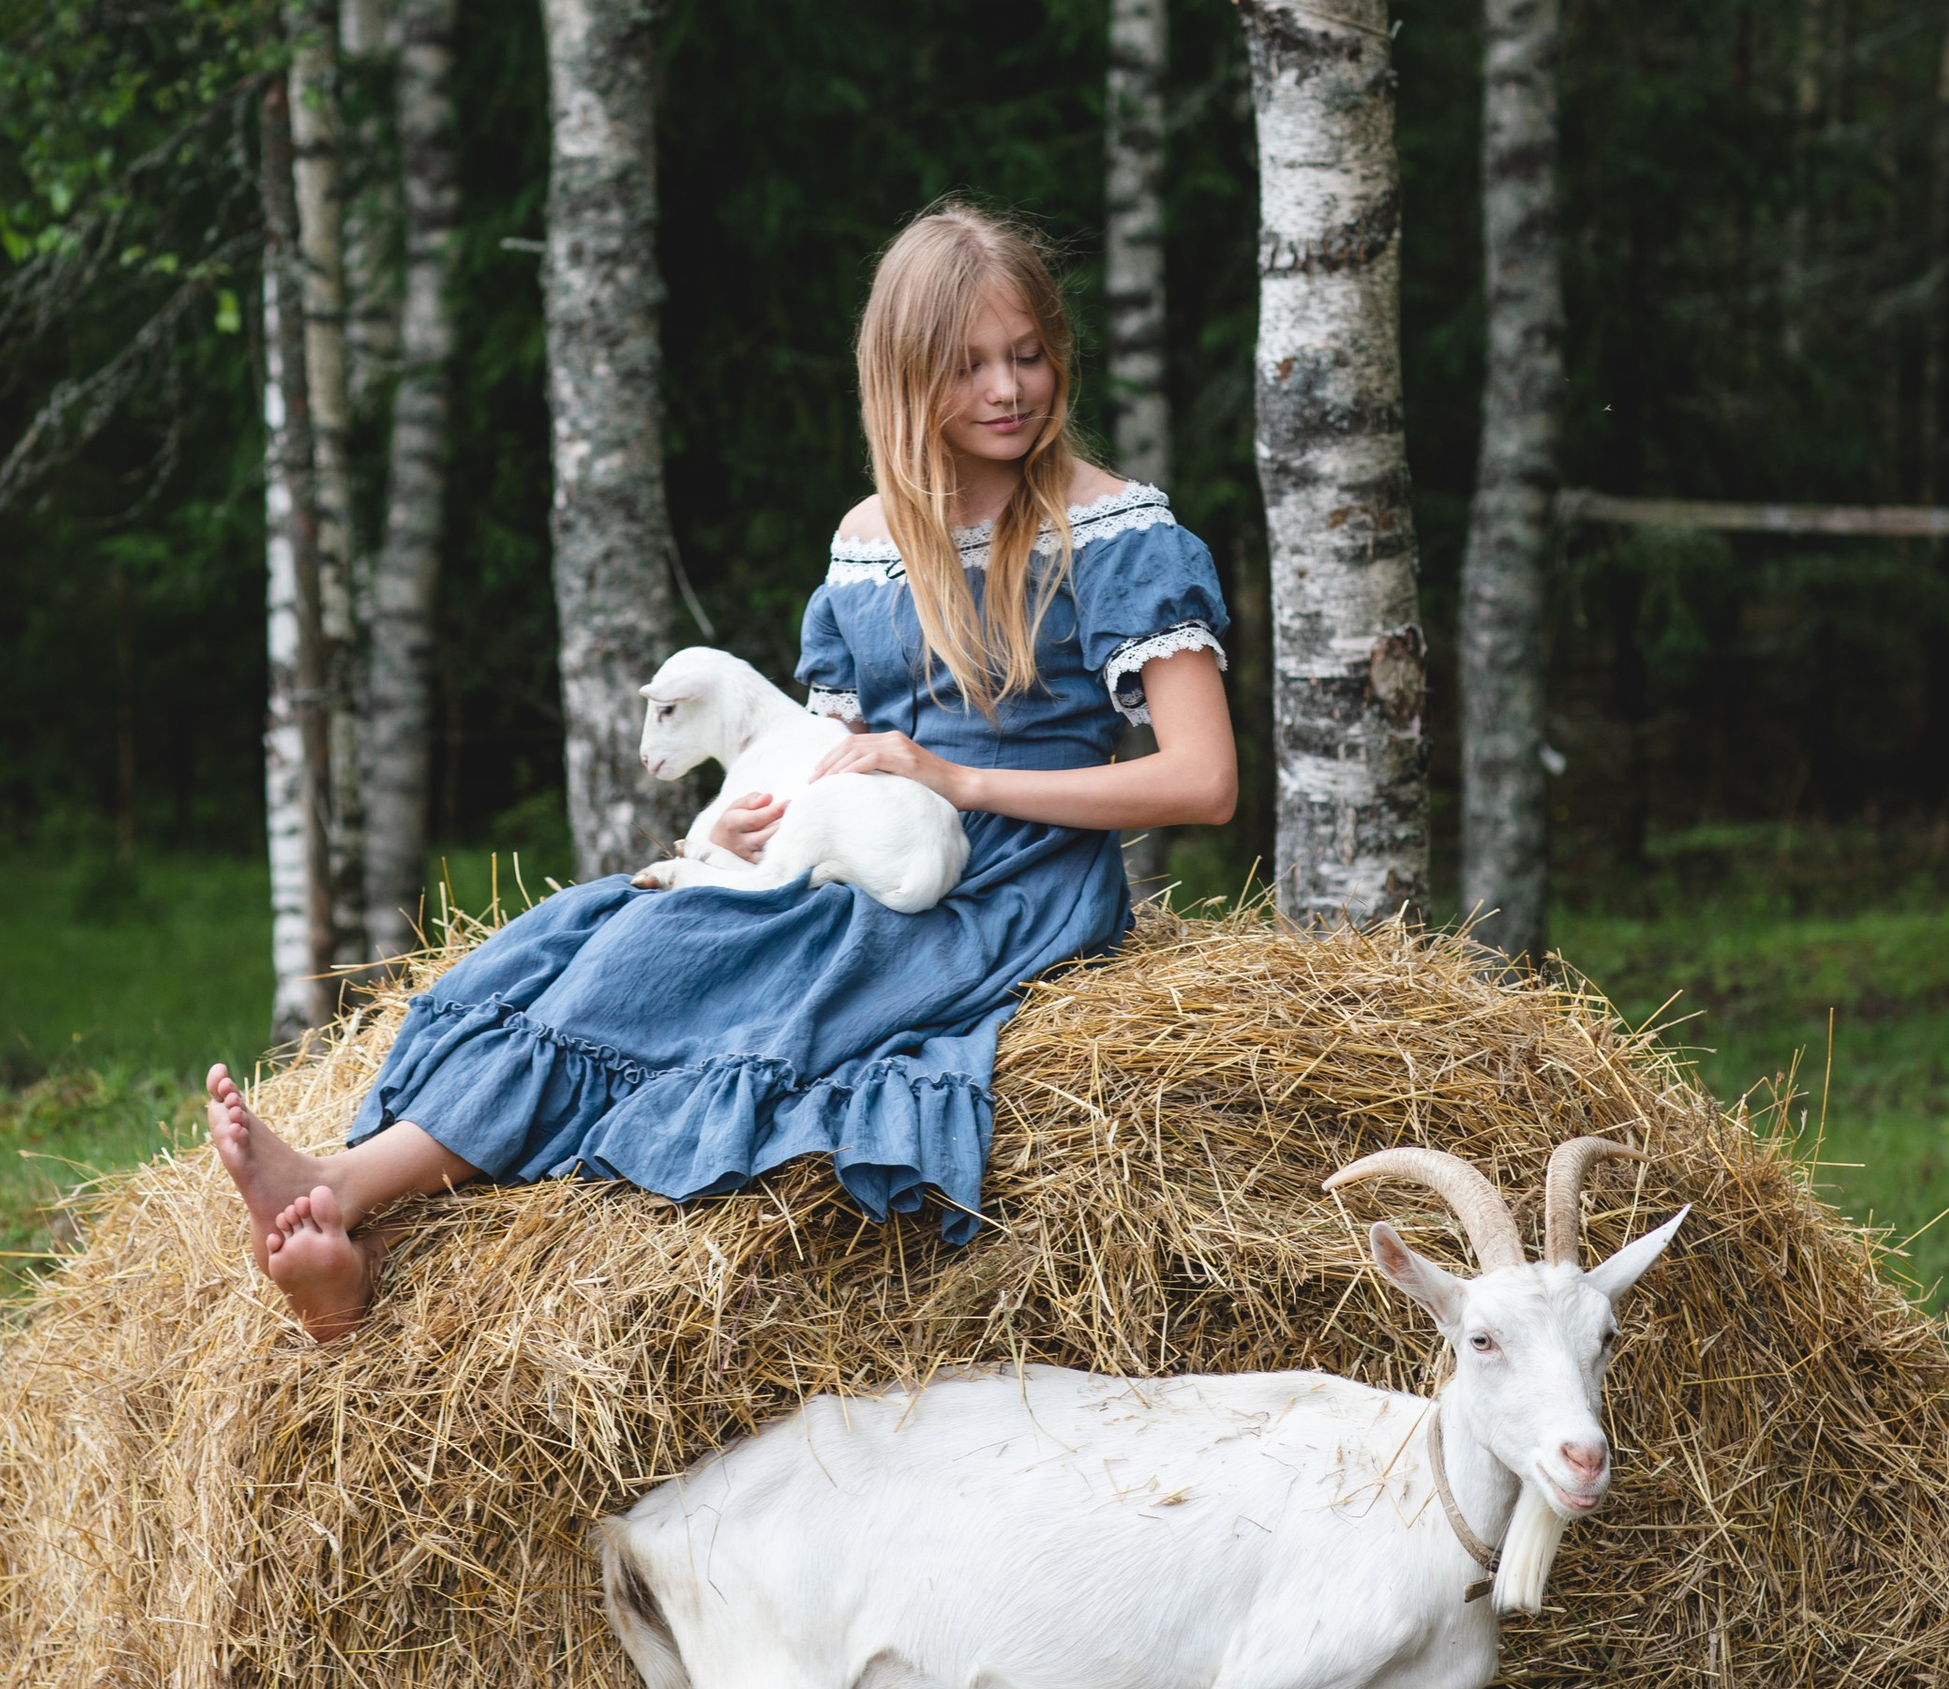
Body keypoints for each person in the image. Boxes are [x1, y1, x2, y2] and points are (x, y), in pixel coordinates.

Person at [206, 203, 1238, 1343]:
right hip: (855, 838)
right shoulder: (867, 542)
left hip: (1007, 884)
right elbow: (824, 756)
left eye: (1028, 356)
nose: (1007, 390)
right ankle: (374, 1251)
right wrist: (754, 829)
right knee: (578, 933)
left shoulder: (1122, 536)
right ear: (901, 382)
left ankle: (345, 1188)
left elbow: (1202, 783)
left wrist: (959, 782)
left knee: (666, 960)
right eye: (968, 368)